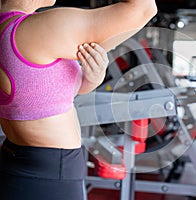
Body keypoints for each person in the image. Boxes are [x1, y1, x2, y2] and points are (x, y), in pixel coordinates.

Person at [0, 0, 157, 199]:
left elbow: (43, 95)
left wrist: (93, 78)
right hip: (51, 176)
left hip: (17, 163)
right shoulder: (39, 29)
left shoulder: (8, 28)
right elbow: (143, 8)